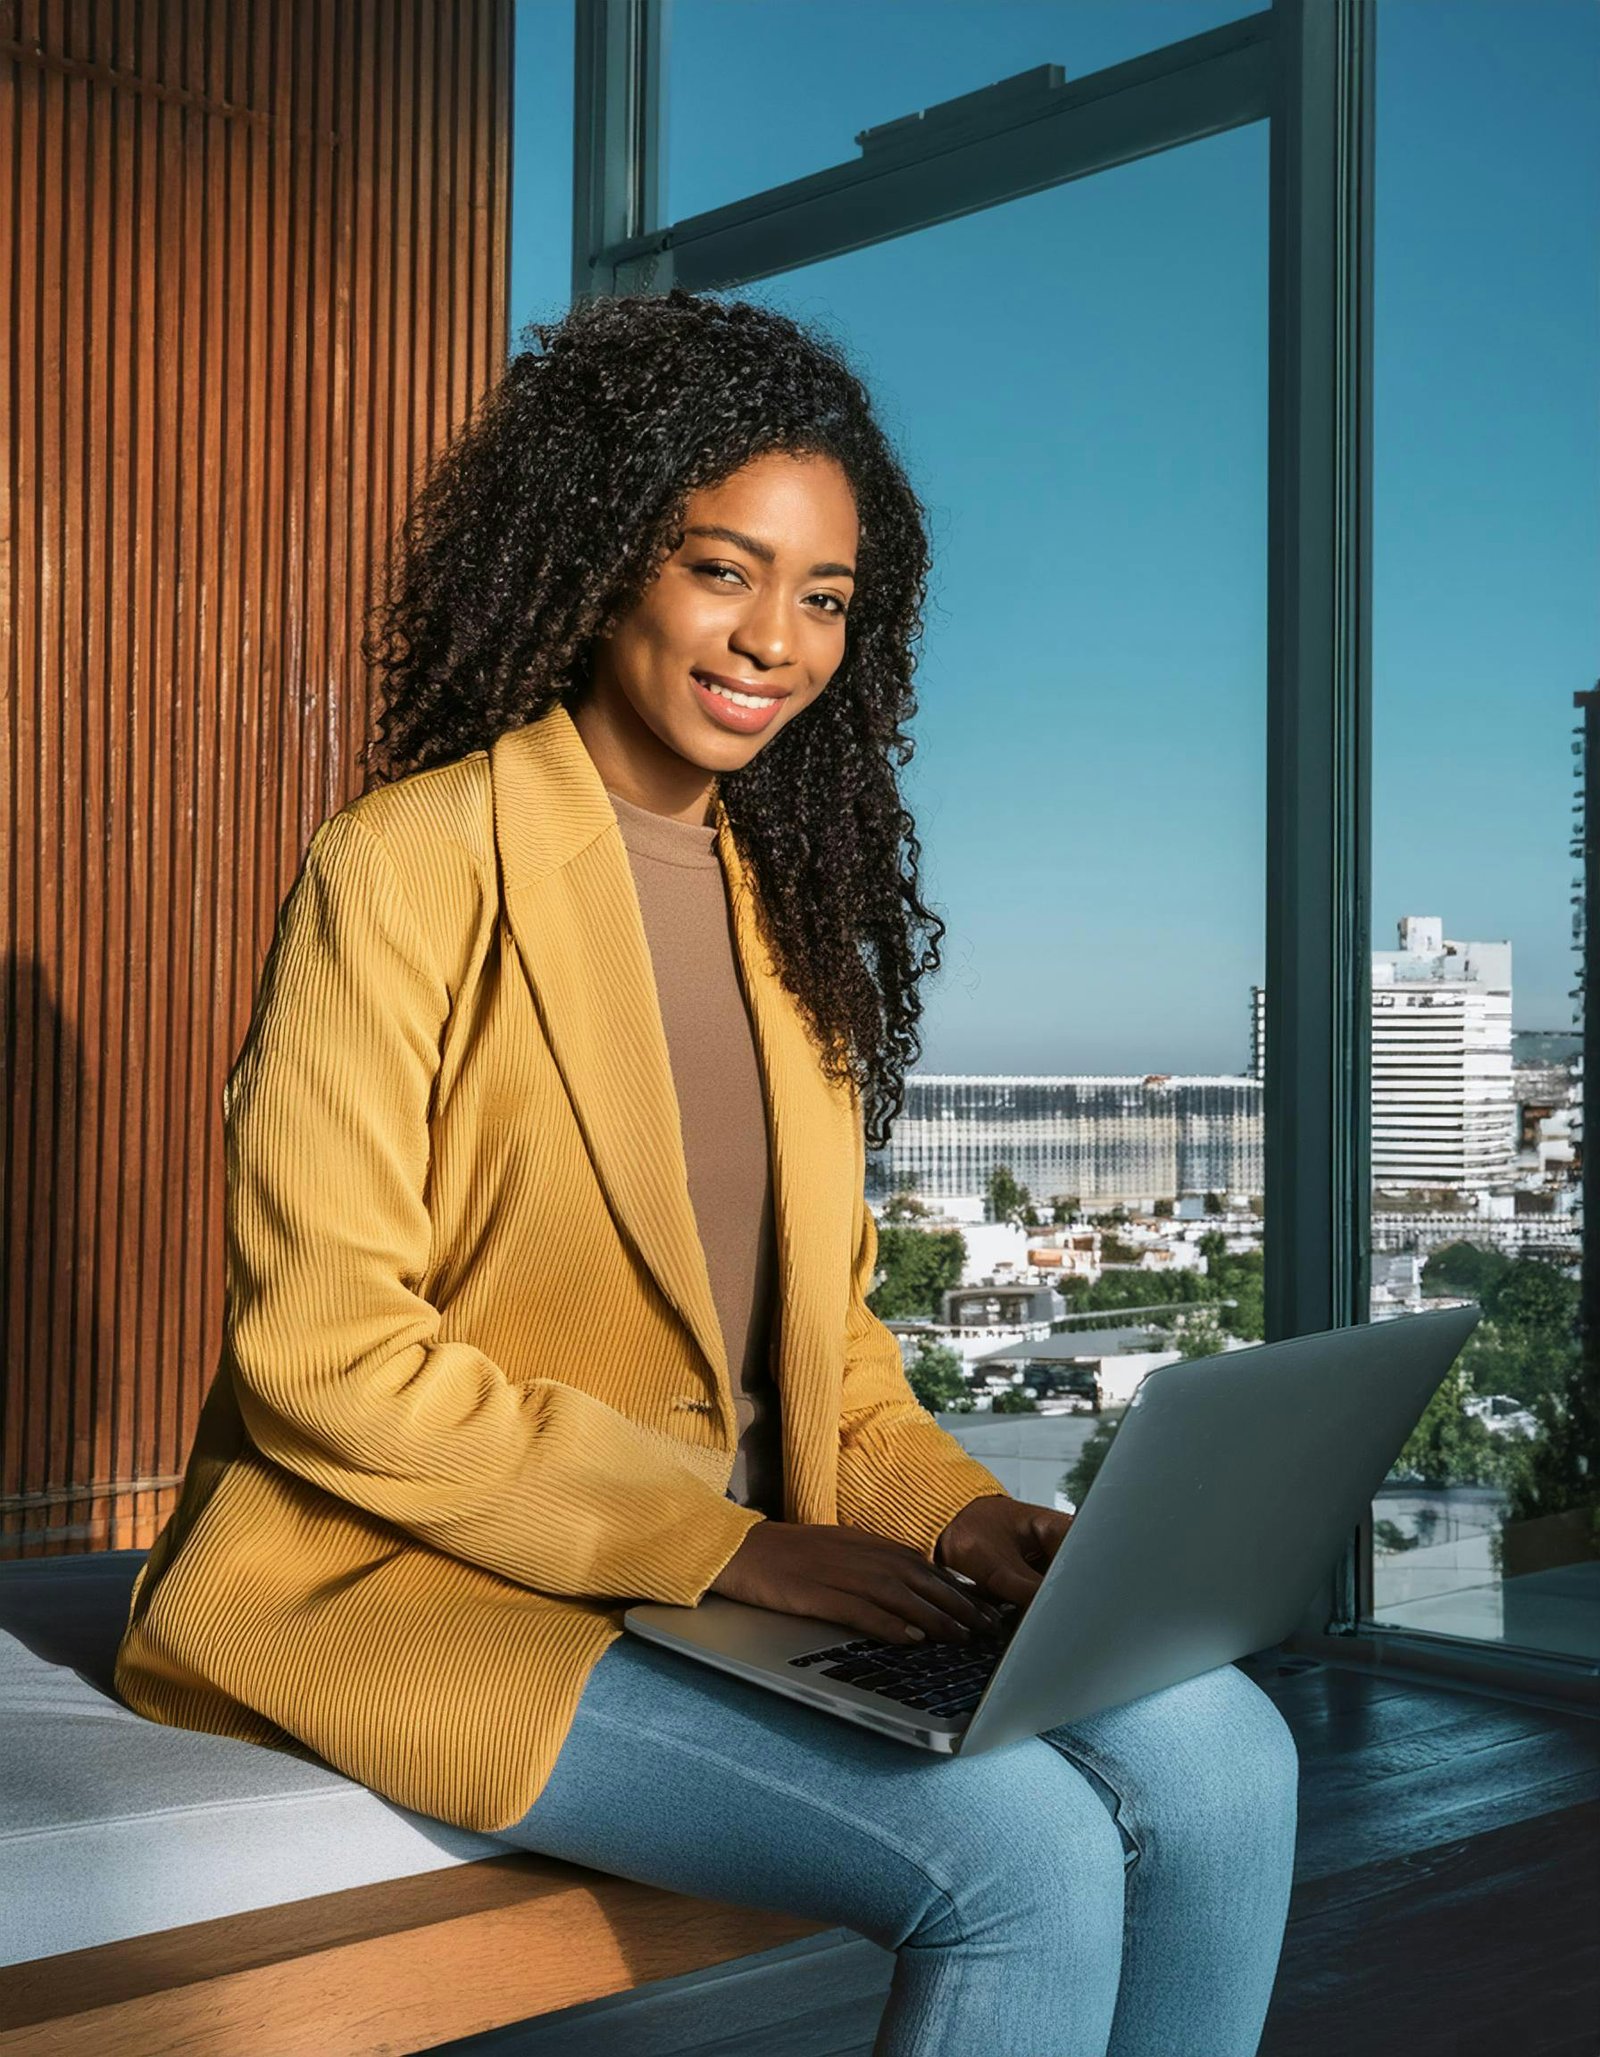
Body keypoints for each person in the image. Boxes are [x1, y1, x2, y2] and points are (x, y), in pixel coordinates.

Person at [114, 288, 1298, 2056]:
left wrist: (968, 1518)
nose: (778, 638)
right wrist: (725, 1544)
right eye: (722, 569)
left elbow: (821, 1358)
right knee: (1024, 1857)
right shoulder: (405, 866)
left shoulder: (788, 915)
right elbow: (329, 1360)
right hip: (419, 1573)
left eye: (824, 596)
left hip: (742, 1564)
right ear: (602, 561)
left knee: (1228, 1754)